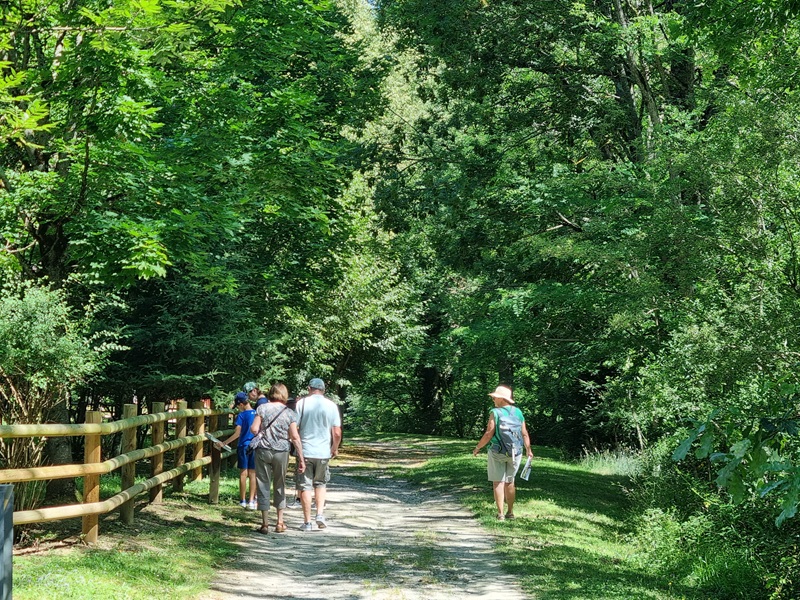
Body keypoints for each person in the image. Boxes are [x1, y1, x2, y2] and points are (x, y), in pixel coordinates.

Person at [250, 383, 305, 534]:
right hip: (282, 452)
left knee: (263, 484)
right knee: (280, 484)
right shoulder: (289, 412)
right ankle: (280, 522)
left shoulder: (262, 408)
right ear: (284, 395)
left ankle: (265, 523)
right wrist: (301, 458)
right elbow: (295, 436)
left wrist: (262, 434)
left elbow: (254, 429)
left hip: (263, 450)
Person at [472, 385, 533, 520]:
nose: (493, 399)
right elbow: (524, 433)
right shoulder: (518, 412)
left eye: (495, 397)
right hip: (515, 452)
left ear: (501, 399)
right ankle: (510, 512)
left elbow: (489, 433)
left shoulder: (495, 412)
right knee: (510, 482)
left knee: (498, 482)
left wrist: (478, 448)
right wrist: (528, 450)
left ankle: (500, 514)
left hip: (497, 451)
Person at [295, 378, 341, 531]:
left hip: (305, 451)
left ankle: (307, 522)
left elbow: (295, 426)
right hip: (323, 452)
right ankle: (320, 514)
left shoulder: (301, 403)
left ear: (309, 388)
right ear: (323, 390)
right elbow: (337, 432)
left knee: (305, 486)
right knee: (321, 483)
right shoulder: (331, 405)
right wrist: (334, 448)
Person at [215, 391, 257, 509]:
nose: (238, 408)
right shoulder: (257, 413)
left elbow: (237, 433)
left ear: (241, 404)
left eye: (237, 406)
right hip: (255, 446)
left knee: (243, 473)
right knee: (253, 473)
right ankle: (252, 500)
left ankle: (242, 500)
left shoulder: (242, 416)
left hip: (243, 445)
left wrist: (224, 443)